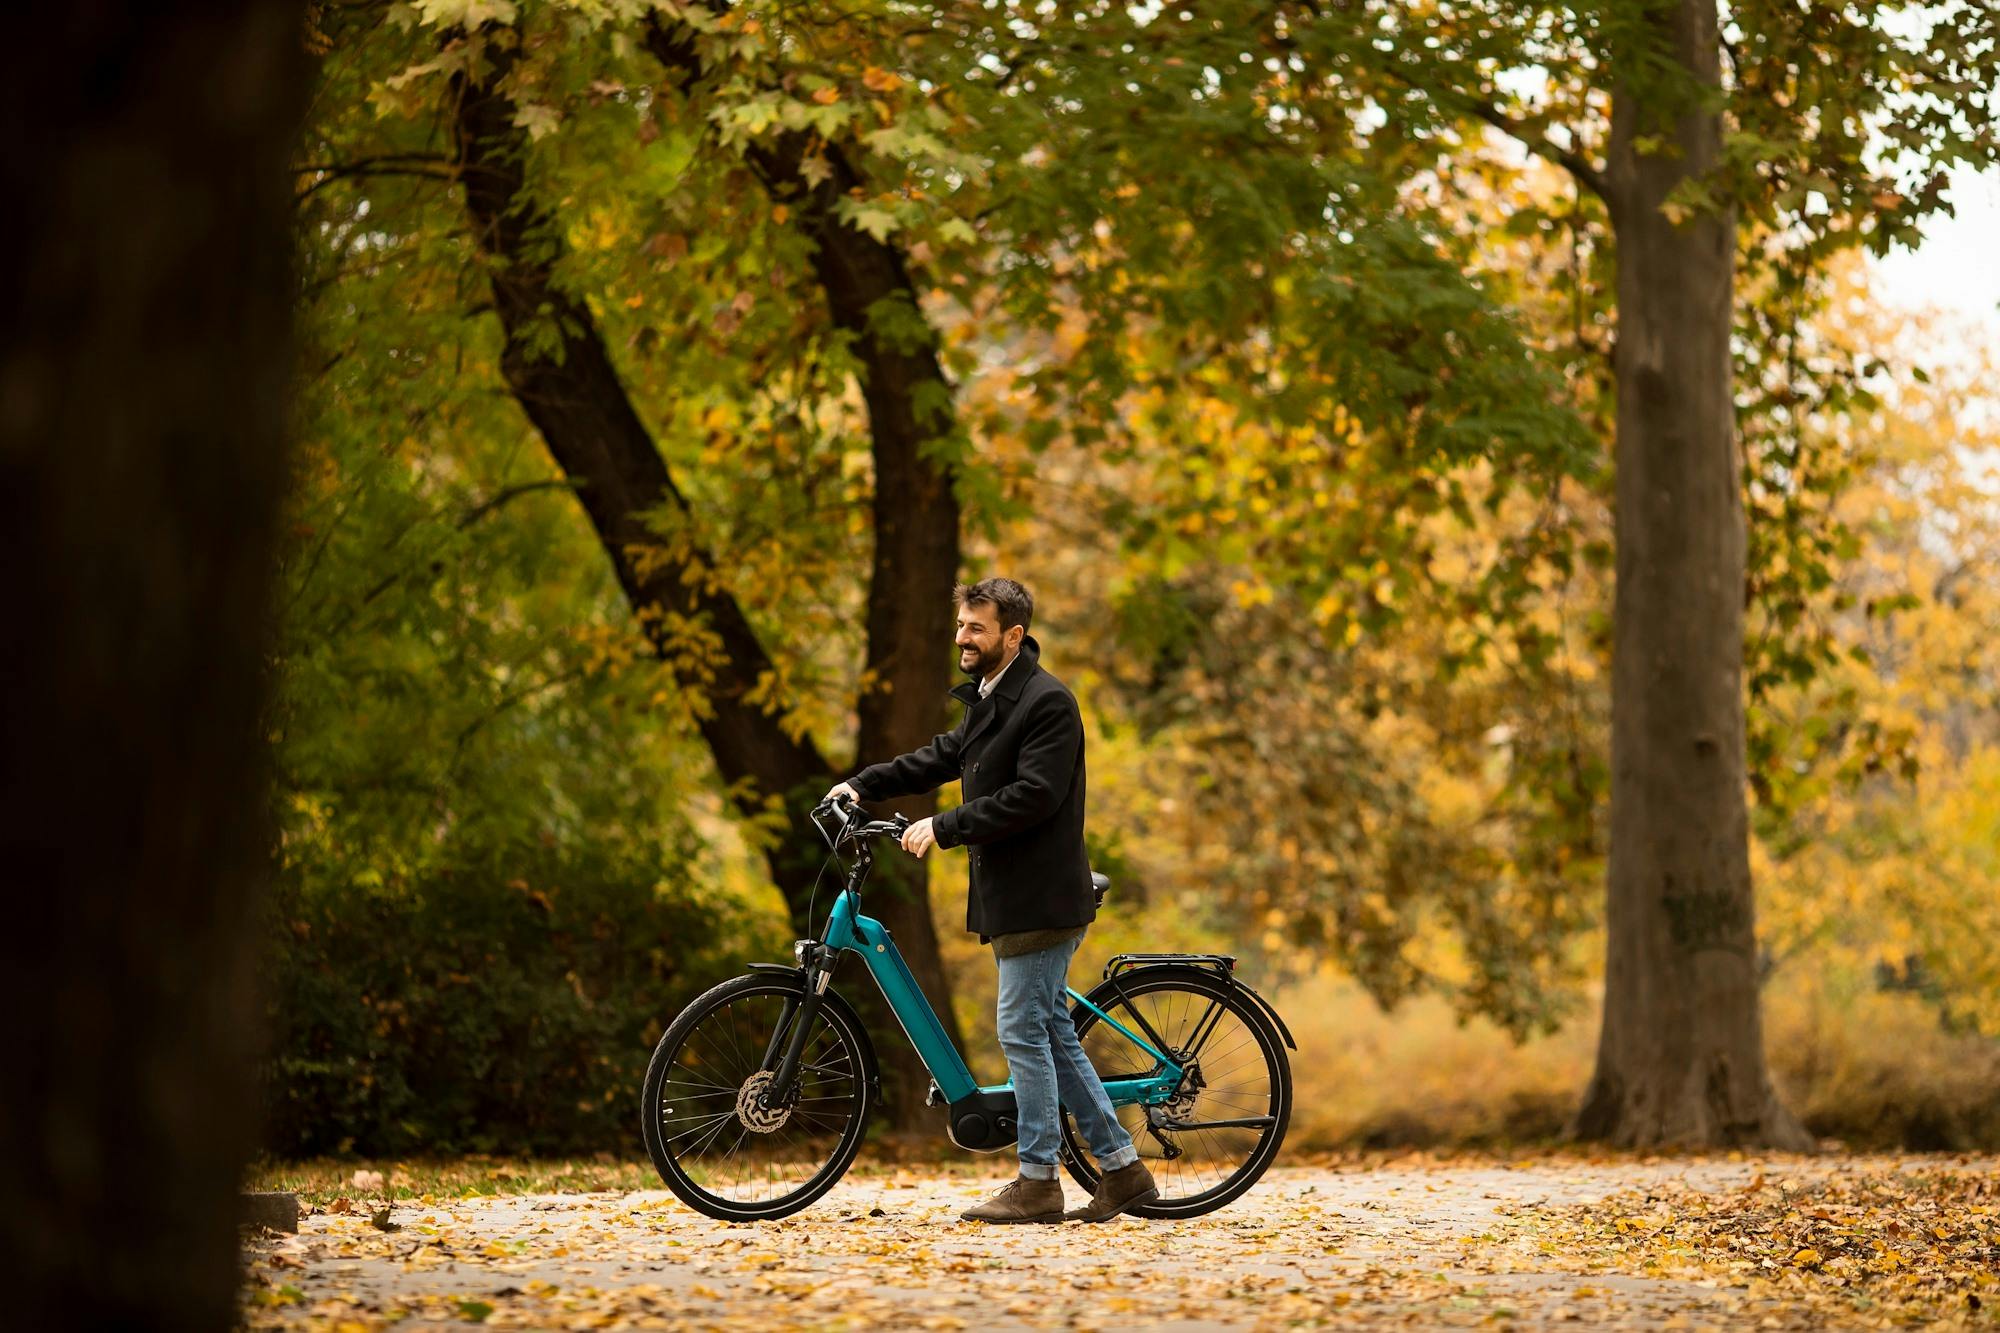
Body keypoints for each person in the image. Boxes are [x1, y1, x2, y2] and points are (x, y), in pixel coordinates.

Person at [825, 577, 1157, 1224]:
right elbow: (944, 755)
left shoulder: (1047, 702)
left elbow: (1035, 794)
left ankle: (1039, 1180)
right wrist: (863, 785)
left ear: (1013, 634)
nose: (962, 638)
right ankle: (1122, 1168)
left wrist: (945, 825)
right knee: (1047, 1031)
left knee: (1021, 1030)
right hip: (1014, 896)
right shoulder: (994, 699)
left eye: (976, 628)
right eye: (959, 626)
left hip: (1041, 895)